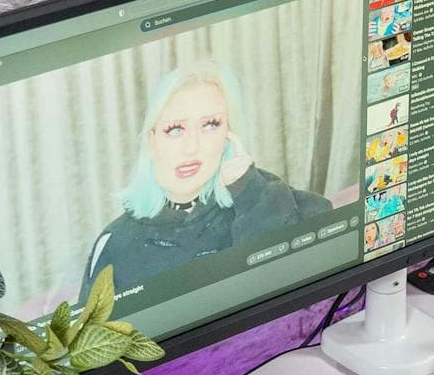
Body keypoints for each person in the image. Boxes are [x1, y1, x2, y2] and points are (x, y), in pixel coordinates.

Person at [77, 63, 333, 305]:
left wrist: (249, 191)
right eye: (175, 129)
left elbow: (307, 283)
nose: (192, 147)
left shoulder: (258, 195)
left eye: (210, 125)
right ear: (152, 142)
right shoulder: (116, 243)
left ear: (229, 136)